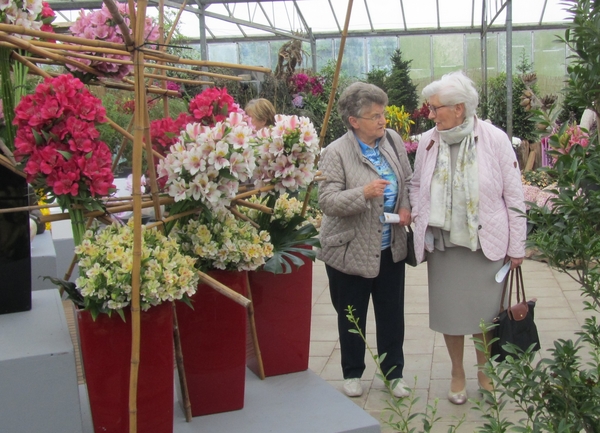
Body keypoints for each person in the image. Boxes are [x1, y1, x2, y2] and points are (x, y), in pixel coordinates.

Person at [409, 71, 526, 405]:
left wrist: (517, 246)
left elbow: (514, 195)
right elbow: (416, 184)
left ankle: (485, 372)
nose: (430, 114)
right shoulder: (428, 141)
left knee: (485, 315)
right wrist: (420, 213)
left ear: (458, 108)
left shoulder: (494, 139)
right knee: (451, 312)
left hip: (484, 244)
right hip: (445, 245)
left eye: (435, 108)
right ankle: (457, 372)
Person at [317, 82, 413, 398]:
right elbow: (328, 201)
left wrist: (404, 206)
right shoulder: (336, 152)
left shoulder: (393, 141)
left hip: (390, 244)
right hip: (350, 249)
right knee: (351, 315)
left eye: (382, 114)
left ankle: (394, 374)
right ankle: (352, 373)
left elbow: (408, 179)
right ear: (354, 121)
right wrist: (364, 193)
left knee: (391, 315)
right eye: (374, 116)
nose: (382, 121)